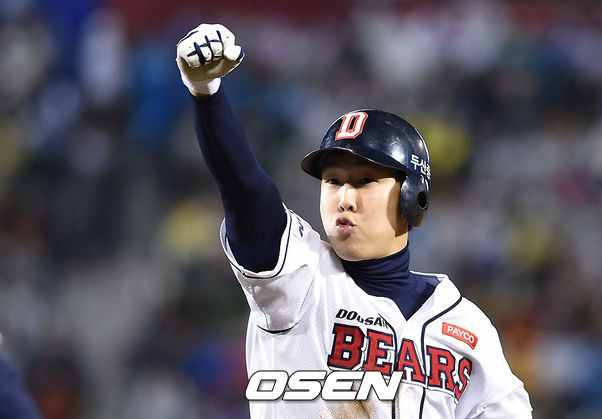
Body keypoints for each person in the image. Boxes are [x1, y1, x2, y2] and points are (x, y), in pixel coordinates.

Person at [176, 23, 532, 418]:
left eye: (364, 181)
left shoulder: (467, 327)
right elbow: (245, 192)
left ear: (413, 196)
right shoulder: (299, 277)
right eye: (332, 182)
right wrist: (207, 95)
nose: (344, 198)